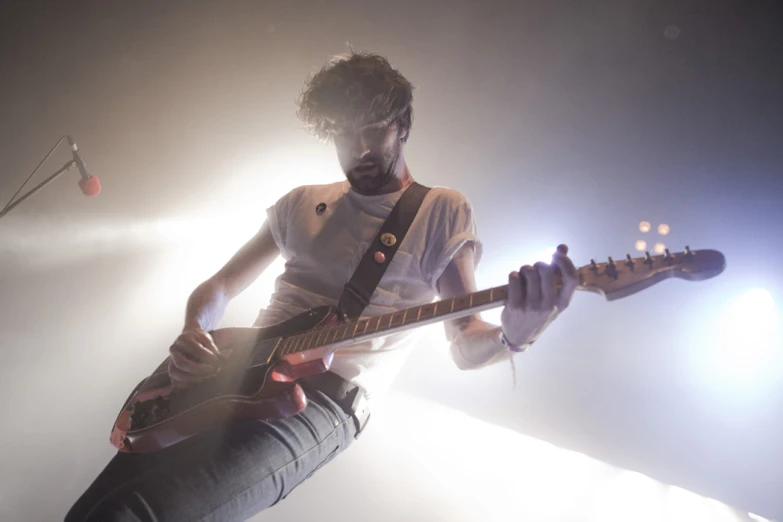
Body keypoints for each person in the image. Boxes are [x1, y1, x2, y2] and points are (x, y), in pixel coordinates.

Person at [65, 51, 578, 521]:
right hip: (230, 371)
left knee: (136, 514)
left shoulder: (439, 209)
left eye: (372, 130)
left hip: (320, 402)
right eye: (341, 133)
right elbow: (220, 284)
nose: (357, 149)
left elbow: (466, 340)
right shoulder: (300, 201)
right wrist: (194, 332)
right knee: (90, 511)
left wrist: (515, 334)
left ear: (402, 126)